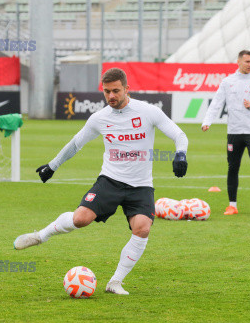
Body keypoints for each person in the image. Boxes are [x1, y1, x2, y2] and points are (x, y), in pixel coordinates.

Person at [14, 68, 188, 295]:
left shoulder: (147, 112)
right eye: (107, 92)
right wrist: (52, 166)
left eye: (116, 91)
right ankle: (40, 236)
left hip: (141, 184)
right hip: (111, 181)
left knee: (142, 228)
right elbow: (76, 143)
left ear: (127, 88)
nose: (111, 96)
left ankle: (115, 282)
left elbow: (179, 135)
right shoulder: (99, 118)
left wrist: (180, 154)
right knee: (80, 219)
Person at [201, 50, 250, 216]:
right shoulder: (228, 82)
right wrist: (207, 121)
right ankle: (232, 205)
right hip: (234, 132)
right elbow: (217, 103)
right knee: (232, 168)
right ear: (239, 62)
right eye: (247, 61)